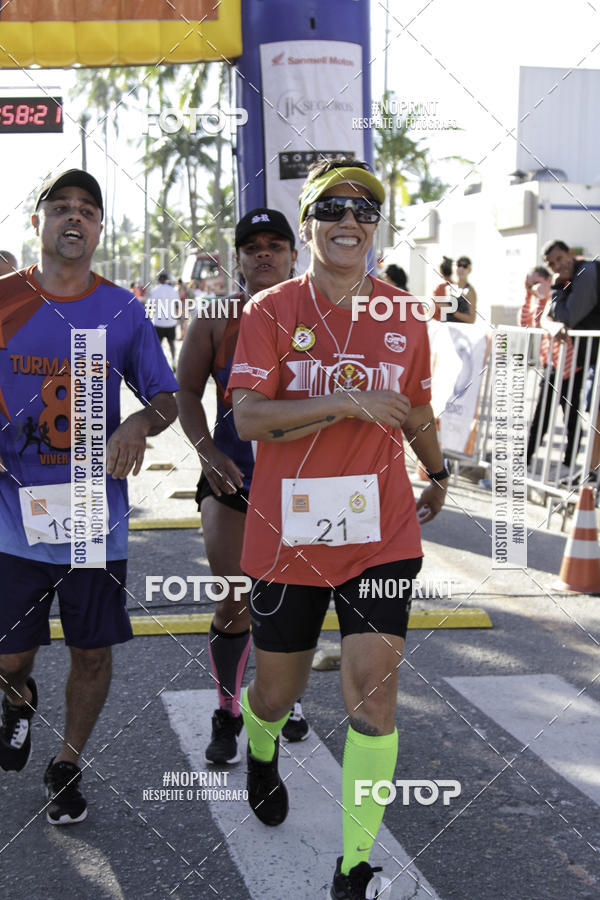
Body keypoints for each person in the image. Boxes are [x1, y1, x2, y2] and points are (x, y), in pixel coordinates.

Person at [228, 159, 448, 899]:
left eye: (363, 209)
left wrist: (437, 469)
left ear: (375, 227)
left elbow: (414, 406)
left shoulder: (405, 315)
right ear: (309, 222)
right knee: (276, 694)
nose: (348, 220)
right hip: (286, 537)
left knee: (372, 696)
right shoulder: (270, 311)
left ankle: (354, 866)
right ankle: (262, 750)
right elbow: (249, 417)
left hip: (379, 535)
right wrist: (347, 402)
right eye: (331, 209)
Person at [0, 169, 178, 824]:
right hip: (12, 515)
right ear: (38, 223)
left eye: (87, 210)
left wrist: (137, 423)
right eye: (61, 208)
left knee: (92, 651)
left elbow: (167, 398)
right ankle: (17, 699)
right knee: (10, 657)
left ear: (100, 228)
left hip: (92, 519)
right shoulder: (3, 300)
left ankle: (67, 763)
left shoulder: (123, 310)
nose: (74, 218)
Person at [176, 208, 310, 766]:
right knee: (235, 598)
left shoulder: (320, 316)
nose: (263, 253)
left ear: (292, 254)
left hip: (302, 489)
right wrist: (207, 453)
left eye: (274, 244)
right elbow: (183, 391)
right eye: (251, 245)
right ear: (237, 258)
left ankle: (280, 696)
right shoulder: (214, 318)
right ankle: (228, 711)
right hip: (231, 479)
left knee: (293, 604)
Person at [541, 239, 600, 483]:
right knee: (595, 410)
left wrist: (556, 291)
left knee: (595, 409)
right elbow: (545, 318)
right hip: (591, 357)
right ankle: (593, 475)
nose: (558, 265)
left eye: (560, 258)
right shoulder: (567, 281)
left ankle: (593, 475)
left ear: (570, 253)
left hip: (593, 355)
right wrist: (550, 321)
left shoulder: (585, 273)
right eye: (552, 264)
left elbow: (568, 317)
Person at [519, 266, 582, 473]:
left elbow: (563, 317)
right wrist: (529, 294)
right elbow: (527, 323)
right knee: (541, 416)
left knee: (571, 417)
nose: (534, 287)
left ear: (548, 279)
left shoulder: (562, 293)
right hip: (551, 365)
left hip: (572, 367)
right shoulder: (539, 300)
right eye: (530, 284)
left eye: (536, 282)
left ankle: (569, 464)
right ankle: (526, 459)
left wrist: (548, 297)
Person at [147, 270, 179, 370]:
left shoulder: (155, 290)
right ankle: (173, 361)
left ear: (159, 280)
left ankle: (157, 364)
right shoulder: (173, 290)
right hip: (171, 321)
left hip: (159, 321)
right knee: (172, 344)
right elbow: (177, 305)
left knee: (157, 345)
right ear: (166, 279)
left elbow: (150, 306)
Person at [448, 255, 477, 323]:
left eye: (465, 266)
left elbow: (472, 319)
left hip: (461, 331)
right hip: (448, 330)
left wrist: (452, 311)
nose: (461, 268)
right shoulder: (449, 288)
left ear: (469, 270)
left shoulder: (470, 291)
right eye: (459, 265)